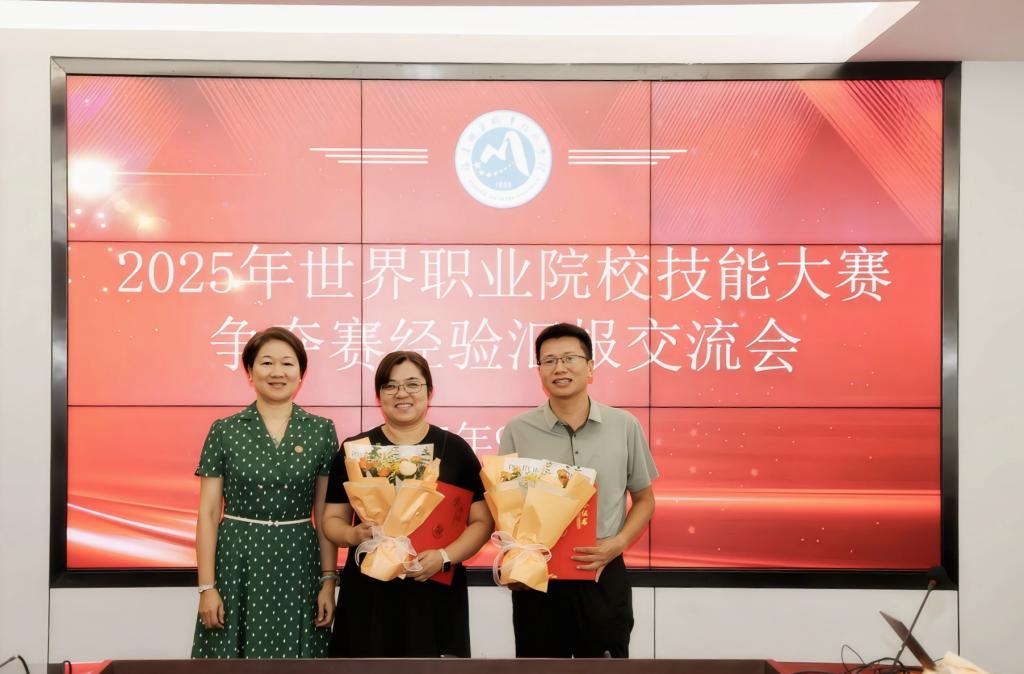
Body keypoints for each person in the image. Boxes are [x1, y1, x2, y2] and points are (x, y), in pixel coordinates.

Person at [498, 322, 658, 658]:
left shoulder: (624, 425)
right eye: (549, 361)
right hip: (538, 577)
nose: (560, 368)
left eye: (569, 358)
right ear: (540, 371)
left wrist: (618, 543)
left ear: (590, 367)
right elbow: (506, 506)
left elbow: (644, 499)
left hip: (603, 572)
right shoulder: (517, 430)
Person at [322, 351, 494, 657]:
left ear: (430, 392)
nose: (401, 393)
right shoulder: (356, 450)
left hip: (434, 588)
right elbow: (332, 519)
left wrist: (444, 556)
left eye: (413, 384)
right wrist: (353, 535)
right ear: (378, 396)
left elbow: (482, 521)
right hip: (370, 590)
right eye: (390, 386)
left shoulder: (454, 449)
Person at [192, 327, 339, 658]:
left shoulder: (321, 430)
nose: (277, 372)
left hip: (298, 560)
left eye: (287, 363)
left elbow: (325, 515)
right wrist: (207, 587)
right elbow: (209, 514)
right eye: (267, 362)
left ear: (300, 374)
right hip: (236, 560)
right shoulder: (224, 430)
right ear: (250, 371)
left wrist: (328, 581)